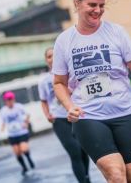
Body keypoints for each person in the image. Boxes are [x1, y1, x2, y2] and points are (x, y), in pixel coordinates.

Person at [53, 0, 131, 183]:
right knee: (115, 173)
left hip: (126, 112)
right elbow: (59, 82)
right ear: (77, 3)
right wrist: (69, 106)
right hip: (88, 116)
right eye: (92, 5)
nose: (98, 10)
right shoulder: (64, 41)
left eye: (101, 5)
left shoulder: (116, 32)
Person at [39, 47, 90, 183]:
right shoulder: (44, 81)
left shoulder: (71, 73)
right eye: (49, 56)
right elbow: (44, 101)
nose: (52, 58)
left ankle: (86, 177)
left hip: (76, 116)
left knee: (83, 150)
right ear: (46, 61)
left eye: (55, 55)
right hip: (59, 119)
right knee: (75, 152)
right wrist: (47, 114)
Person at [1, 91, 35, 175]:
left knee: (23, 149)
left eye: (11, 99)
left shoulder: (19, 107)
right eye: (7, 100)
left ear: (13, 99)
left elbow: (27, 115)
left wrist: (26, 123)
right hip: (12, 135)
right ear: (5, 101)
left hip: (22, 132)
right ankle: (24, 167)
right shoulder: (3, 110)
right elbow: (3, 121)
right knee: (17, 152)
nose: (9, 101)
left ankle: (29, 158)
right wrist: (2, 129)